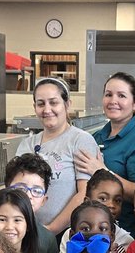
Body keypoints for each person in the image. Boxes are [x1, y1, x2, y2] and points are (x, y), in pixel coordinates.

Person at [75, 72, 135, 236]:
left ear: (134, 104)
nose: (113, 101)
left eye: (121, 95)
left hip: (123, 232)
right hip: (93, 227)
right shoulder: (96, 136)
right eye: (108, 94)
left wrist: (102, 172)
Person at [15, 77, 100, 232]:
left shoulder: (80, 140)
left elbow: (84, 192)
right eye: (41, 104)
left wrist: (51, 230)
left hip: (66, 233)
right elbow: (16, 192)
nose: (47, 110)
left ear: (67, 104)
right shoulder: (27, 144)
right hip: (28, 232)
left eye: (53, 102)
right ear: (35, 107)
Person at [55, 169, 134, 253]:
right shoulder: (73, 234)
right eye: (103, 198)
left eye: (117, 200)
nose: (111, 205)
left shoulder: (126, 241)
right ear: (87, 201)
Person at [4, 153, 59, 253]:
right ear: (6, 190)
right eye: (20, 188)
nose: (28, 195)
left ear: (44, 200)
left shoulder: (47, 239)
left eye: (37, 191)